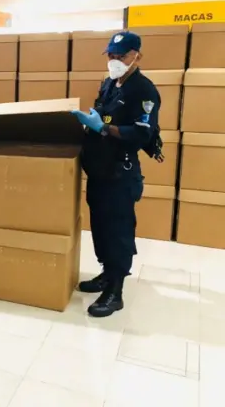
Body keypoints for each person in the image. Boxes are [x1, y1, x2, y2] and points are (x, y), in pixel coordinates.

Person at [72, 31, 163, 318]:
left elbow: (141, 133)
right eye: (111, 55)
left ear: (137, 55)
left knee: (118, 231)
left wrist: (103, 128)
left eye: (121, 56)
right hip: (100, 169)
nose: (114, 61)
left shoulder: (144, 90)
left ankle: (115, 291)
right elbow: (102, 110)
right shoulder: (110, 84)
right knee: (100, 226)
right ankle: (106, 274)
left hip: (120, 173)